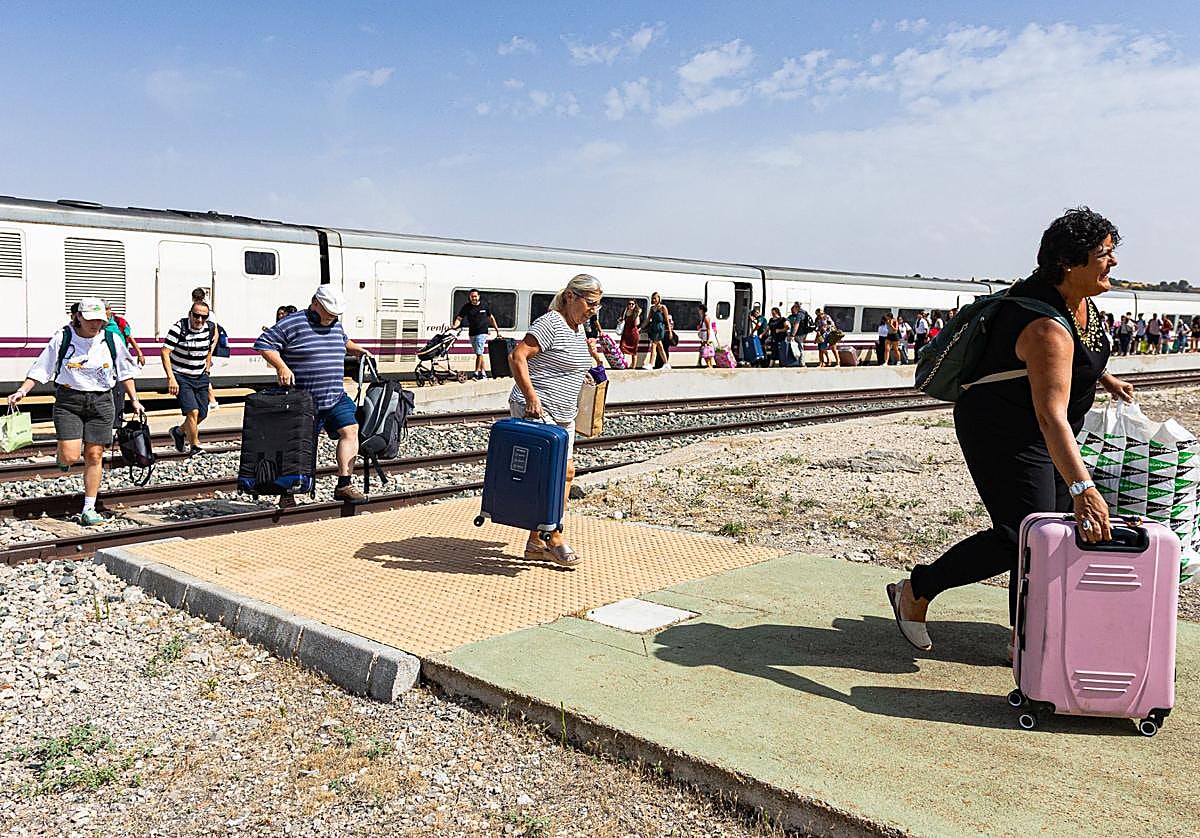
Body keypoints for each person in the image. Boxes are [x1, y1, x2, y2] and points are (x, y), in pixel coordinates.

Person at [887, 207, 1135, 659]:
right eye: (1104, 254)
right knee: (1023, 532)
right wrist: (1084, 487)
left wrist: (1106, 379)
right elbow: (1050, 415)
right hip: (1005, 430)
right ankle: (916, 590)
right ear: (1069, 261)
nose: (1113, 262)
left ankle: (1026, 635)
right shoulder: (1044, 326)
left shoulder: (1078, 301)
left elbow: (1079, 353)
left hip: (1044, 429)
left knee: (1050, 533)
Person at [7, 298, 144, 526]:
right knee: (70, 456)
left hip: (101, 401)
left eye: (100, 320)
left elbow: (125, 371)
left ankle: (88, 508)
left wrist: (135, 400)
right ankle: (63, 457)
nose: (95, 324)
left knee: (94, 455)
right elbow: (43, 366)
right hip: (69, 401)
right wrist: (22, 391)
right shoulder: (64, 337)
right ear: (78, 316)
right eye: (90, 319)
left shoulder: (111, 339)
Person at [508, 273, 603, 567]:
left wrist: (583, 374)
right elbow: (517, 356)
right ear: (571, 297)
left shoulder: (578, 328)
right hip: (539, 408)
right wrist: (531, 397)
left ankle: (537, 541)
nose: (594, 310)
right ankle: (553, 536)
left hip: (564, 413)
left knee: (562, 474)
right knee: (558, 474)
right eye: (591, 303)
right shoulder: (551, 323)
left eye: (598, 305)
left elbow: (564, 362)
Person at [254, 286, 374, 504]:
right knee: (299, 445)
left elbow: (343, 341)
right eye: (328, 312)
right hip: (303, 400)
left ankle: (344, 484)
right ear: (315, 303)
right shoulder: (293, 322)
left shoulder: (335, 323)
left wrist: (357, 350)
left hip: (334, 395)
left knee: (351, 429)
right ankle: (287, 492)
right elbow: (264, 344)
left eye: (335, 314)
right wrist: (281, 367)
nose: (331, 317)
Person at [162, 299, 219, 456]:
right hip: (181, 375)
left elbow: (211, 344)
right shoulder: (178, 329)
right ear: (190, 314)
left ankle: (179, 432)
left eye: (203, 317)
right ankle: (195, 446)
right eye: (196, 316)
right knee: (192, 412)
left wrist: (207, 366)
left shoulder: (209, 328)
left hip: (200, 375)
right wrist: (171, 378)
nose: (199, 320)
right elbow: (165, 352)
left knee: (202, 413)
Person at [103, 303, 145, 429]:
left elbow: (130, 338)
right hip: (105, 365)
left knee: (119, 394)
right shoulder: (99, 325)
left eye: (108, 309)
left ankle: (117, 424)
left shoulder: (119, 322)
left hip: (119, 362)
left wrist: (139, 353)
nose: (106, 312)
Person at [451, 289, 503, 380]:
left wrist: (497, 330)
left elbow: (491, 318)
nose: (473, 298)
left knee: (479, 352)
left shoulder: (484, 305)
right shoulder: (467, 307)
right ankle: (483, 373)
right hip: (472, 333)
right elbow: (459, 318)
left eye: (475, 296)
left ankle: (476, 373)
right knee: (479, 354)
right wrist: (455, 325)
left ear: (478, 296)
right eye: (472, 296)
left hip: (482, 332)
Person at [191, 288, 222, 409]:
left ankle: (211, 401)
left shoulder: (208, 313)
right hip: (199, 347)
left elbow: (215, 332)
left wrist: (210, 349)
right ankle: (211, 401)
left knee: (203, 373)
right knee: (201, 373)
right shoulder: (195, 310)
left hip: (205, 347)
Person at [642, 292, 670, 370]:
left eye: (655, 298)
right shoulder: (652, 308)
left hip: (660, 328)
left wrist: (670, 332)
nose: (654, 300)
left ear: (659, 298)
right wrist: (641, 327)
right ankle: (666, 363)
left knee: (653, 346)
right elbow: (648, 319)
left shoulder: (663, 307)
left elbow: (667, 320)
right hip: (653, 328)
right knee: (660, 347)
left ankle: (651, 364)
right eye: (653, 298)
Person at [619, 299, 641, 368]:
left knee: (634, 351)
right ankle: (622, 364)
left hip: (633, 334)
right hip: (625, 333)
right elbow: (621, 320)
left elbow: (636, 324)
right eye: (629, 304)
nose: (631, 305)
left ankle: (633, 367)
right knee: (622, 347)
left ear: (635, 305)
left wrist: (637, 315)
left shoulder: (636, 313)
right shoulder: (625, 312)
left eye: (632, 304)